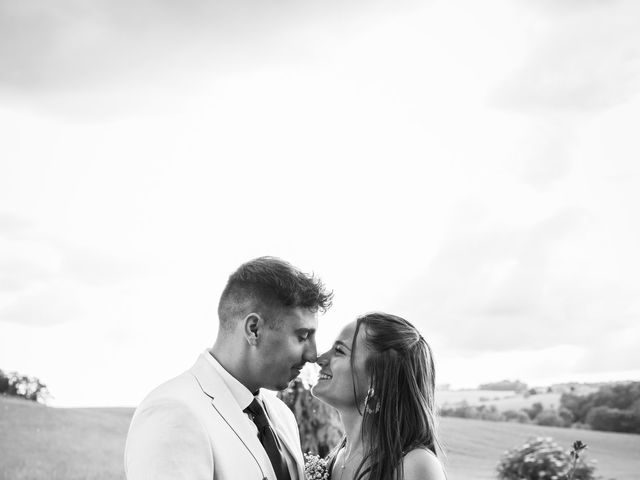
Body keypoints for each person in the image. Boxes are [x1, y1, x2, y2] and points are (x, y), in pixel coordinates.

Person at [125, 256, 333, 480]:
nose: (313, 355)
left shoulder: (282, 416)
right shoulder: (174, 413)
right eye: (302, 336)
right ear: (254, 330)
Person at [312, 312, 446, 480]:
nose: (319, 358)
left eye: (339, 351)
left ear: (377, 379)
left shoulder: (416, 465)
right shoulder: (336, 459)